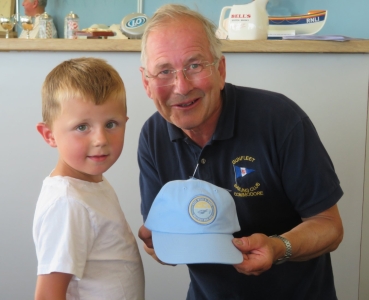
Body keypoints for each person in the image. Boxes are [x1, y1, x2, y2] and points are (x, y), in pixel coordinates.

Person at [137, 4, 344, 300]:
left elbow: (329, 226)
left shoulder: (280, 119)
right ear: (147, 83)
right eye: (164, 71)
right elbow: (166, 245)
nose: (181, 86)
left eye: (195, 65)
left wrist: (277, 248)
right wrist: (161, 244)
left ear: (220, 70)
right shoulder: (152, 136)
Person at [34, 57, 144, 300]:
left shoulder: (90, 184)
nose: (100, 139)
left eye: (111, 124)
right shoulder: (67, 203)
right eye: (82, 127)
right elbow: (48, 295)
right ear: (49, 135)